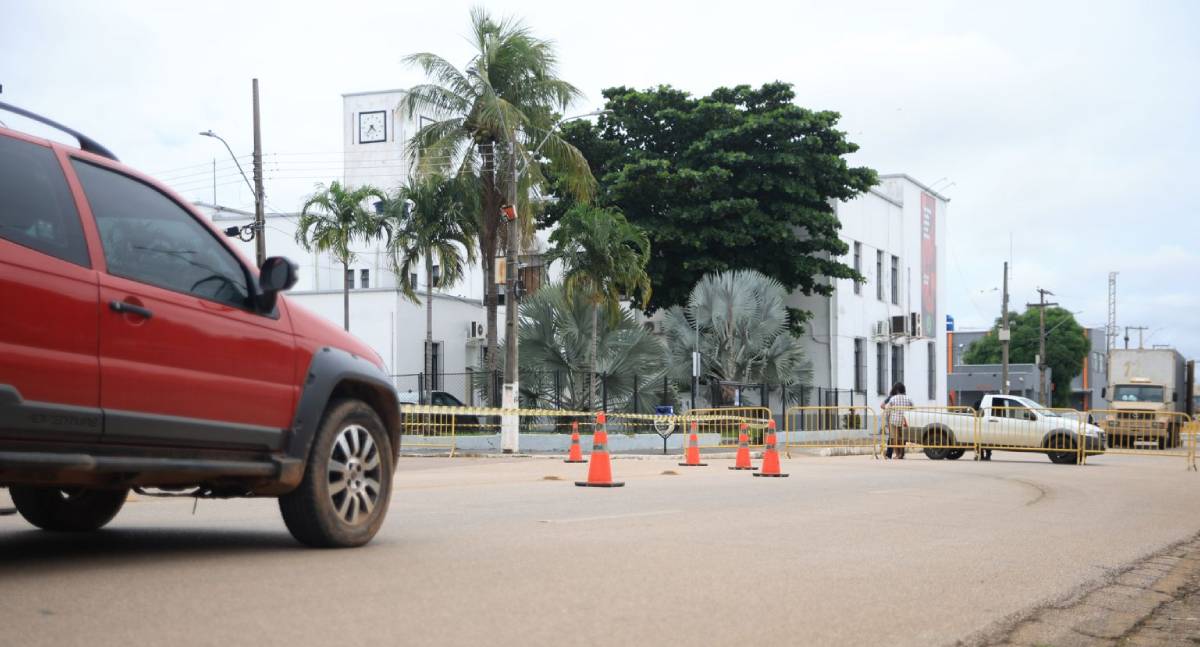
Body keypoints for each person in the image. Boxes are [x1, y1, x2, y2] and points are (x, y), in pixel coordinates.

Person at [882, 382, 913, 459]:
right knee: (902, 438)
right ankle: (901, 454)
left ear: (897, 390)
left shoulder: (893, 398)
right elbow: (913, 408)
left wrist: (887, 417)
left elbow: (887, 408)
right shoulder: (908, 398)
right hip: (904, 420)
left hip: (894, 420)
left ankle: (897, 454)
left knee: (894, 438)